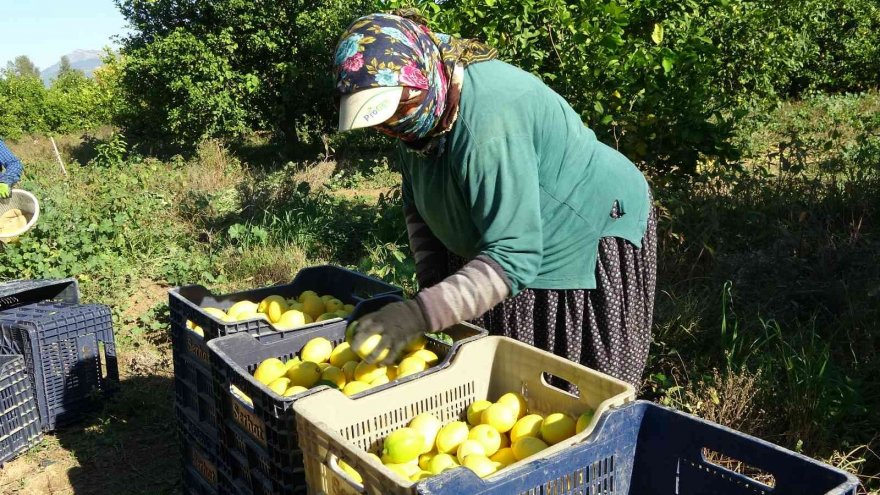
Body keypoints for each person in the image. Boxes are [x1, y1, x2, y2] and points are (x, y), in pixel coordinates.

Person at [337, 12, 657, 387]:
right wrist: (432, 283)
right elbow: (419, 204)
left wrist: (416, 314)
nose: (391, 126)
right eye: (382, 121)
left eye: (398, 110)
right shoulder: (420, 118)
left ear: (421, 71)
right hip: (509, 238)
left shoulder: (488, 123)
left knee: (566, 386)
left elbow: (515, 255)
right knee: (508, 381)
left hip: (583, 224)